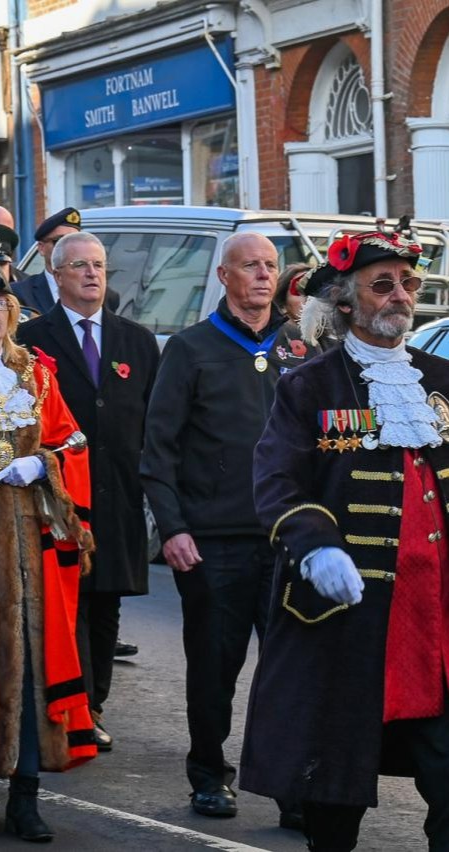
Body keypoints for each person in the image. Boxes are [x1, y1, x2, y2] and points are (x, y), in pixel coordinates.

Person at [240, 231, 449, 851]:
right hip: (352, 617)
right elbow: (278, 480)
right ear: (346, 300)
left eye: (408, 285)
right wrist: (316, 545)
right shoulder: (311, 385)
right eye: (382, 284)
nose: (400, 296)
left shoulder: (441, 379)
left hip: (434, 614)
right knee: (335, 781)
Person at [140, 232, 320, 821]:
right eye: (251, 266)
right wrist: (172, 528)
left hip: (288, 542)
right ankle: (209, 774)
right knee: (215, 670)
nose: (264, 276)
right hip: (214, 543)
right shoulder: (191, 349)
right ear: (225, 276)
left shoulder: (300, 347)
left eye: (271, 266)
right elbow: (158, 448)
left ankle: (294, 786)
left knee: (291, 672)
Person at [0, 260, 97, 841]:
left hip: (30, 543)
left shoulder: (35, 374)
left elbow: (73, 440)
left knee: (31, 663)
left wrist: (45, 463)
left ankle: (25, 795)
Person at [17, 231, 159, 753]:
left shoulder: (135, 340)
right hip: (58, 497)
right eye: (79, 266)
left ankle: (94, 703)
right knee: (66, 605)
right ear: (57, 276)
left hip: (117, 493)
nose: (92, 274)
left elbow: (153, 420)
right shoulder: (32, 341)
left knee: (106, 605)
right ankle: (68, 705)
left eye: (98, 265)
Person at [13, 208, 82, 316]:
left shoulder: (102, 294)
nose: (70, 248)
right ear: (41, 248)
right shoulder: (21, 293)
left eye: (76, 241)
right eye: (59, 241)